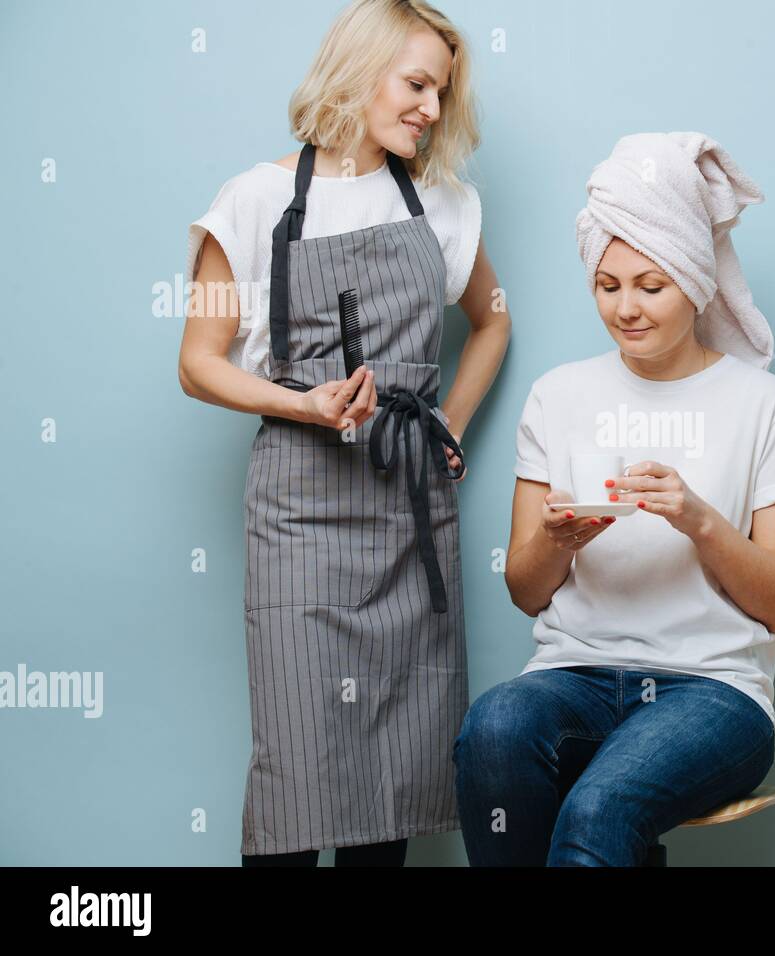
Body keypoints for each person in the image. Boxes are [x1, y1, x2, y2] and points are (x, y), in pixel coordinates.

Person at [178, 0, 509, 867]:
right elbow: (198, 362)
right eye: (417, 84)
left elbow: (493, 321)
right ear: (359, 69)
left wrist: (450, 430)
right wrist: (305, 405)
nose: (432, 109)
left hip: (406, 510)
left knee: (387, 782)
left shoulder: (443, 204)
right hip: (298, 514)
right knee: (296, 772)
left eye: (440, 91)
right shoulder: (250, 202)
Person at [453, 131, 775, 866]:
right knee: (492, 729)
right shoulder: (558, 395)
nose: (626, 308)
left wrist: (699, 519)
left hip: (714, 690)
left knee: (599, 807)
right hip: (572, 675)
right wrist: (557, 540)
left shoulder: (764, 404)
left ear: (695, 279)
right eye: (607, 285)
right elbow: (526, 592)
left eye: (651, 285)